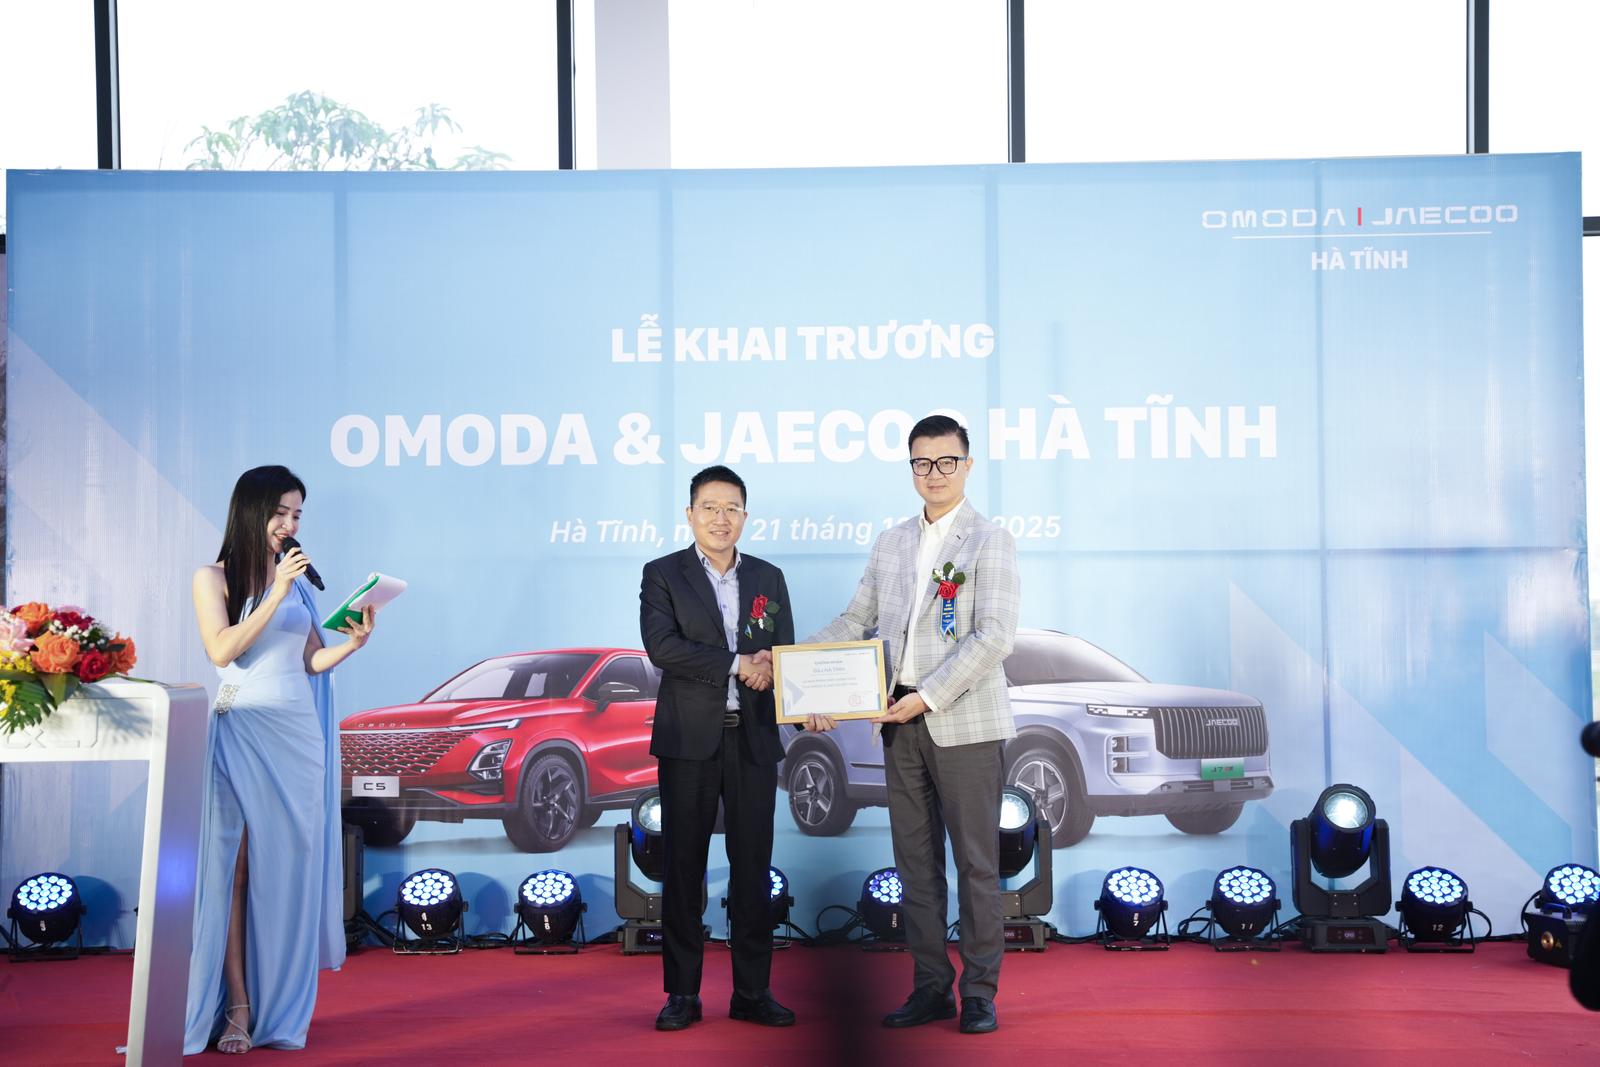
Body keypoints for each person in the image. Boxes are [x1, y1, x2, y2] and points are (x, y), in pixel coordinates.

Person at [804, 414, 1019, 1035]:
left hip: (962, 720)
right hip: (897, 723)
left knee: (976, 864)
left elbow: (994, 637)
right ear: (912, 469)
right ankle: (930, 988)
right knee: (915, 864)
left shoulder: (990, 540)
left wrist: (927, 696)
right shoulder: (892, 542)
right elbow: (855, 621)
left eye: (946, 462)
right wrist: (794, 665)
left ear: (967, 466)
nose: (935, 474)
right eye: (922, 463)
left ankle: (978, 993)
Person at [184, 465, 378, 1054]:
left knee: (289, 871)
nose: (290, 525)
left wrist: (352, 644)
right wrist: (272, 593)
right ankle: (237, 1004)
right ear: (252, 511)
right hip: (245, 726)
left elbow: (310, 661)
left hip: (297, 734)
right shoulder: (213, 577)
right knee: (237, 868)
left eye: (297, 515)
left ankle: (281, 1003)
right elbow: (222, 651)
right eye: (281, 514)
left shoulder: (294, 583)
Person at [638, 465, 797, 1032]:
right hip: (689, 741)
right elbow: (663, 647)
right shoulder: (663, 574)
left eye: (732, 508)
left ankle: (752, 991)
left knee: (753, 869)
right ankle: (682, 993)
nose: (721, 518)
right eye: (710, 507)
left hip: (753, 739)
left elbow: (784, 652)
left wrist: (783, 677)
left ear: (745, 516)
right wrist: (737, 664)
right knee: (684, 867)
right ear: (690, 514)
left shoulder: (768, 577)